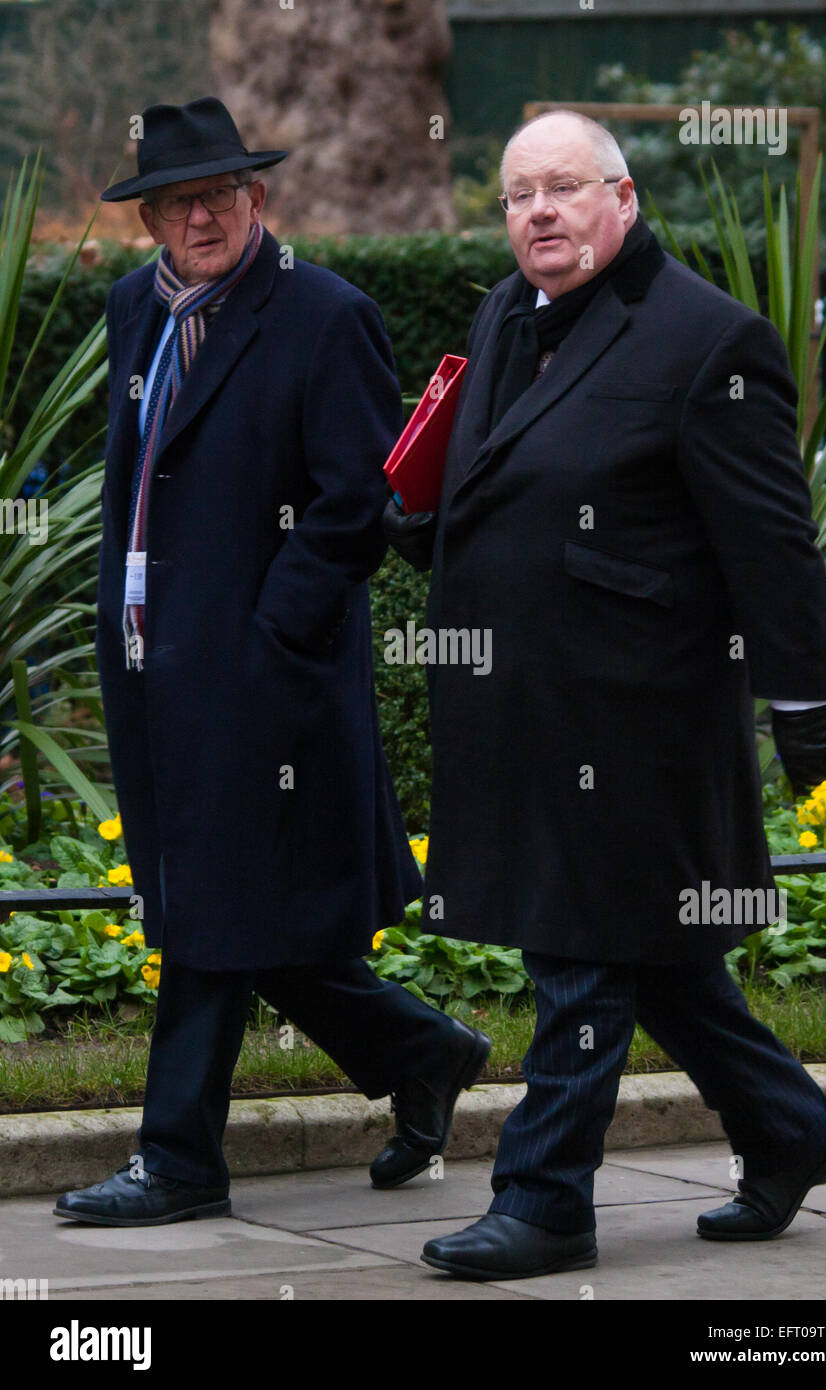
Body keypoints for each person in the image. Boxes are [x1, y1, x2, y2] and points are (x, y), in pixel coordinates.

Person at [384, 110, 826, 1281]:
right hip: (515, 705)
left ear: (623, 197)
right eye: (514, 196)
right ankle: (790, 1130)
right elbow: (492, 478)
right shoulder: (504, 314)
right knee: (655, 955)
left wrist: (807, 727)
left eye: (562, 189)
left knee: (578, 953)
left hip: (635, 718)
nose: (537, 212)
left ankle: (544, 1201)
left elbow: (772, 551)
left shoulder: (710, 340)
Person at [52, 98, 489, 1228]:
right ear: (147, 218)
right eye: (173, 201)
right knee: (230, 906)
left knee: (208, 911)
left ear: (260, 199)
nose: (197, 215)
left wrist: (270, 629)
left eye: (218, 194)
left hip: (264, 675)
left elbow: (357, 498)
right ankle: (425, 1051)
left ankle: (179, 1159)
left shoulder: (322, 313)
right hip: (154, 663)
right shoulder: (131, 310)